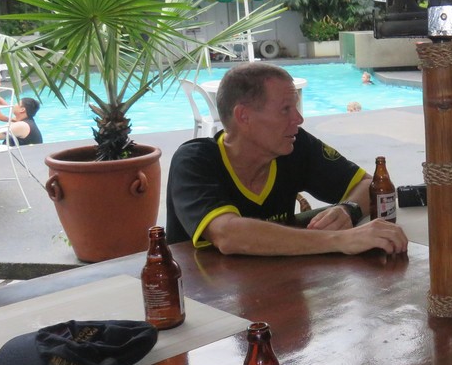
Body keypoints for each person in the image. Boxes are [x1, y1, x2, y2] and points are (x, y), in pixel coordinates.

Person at [166, 62, 408, 256]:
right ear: (243, 116)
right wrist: (340, 240)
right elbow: (228, 234)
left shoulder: (295, 145)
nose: (299, 119)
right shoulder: (194, 161)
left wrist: (348, 210)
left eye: (296, 107)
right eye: (285, 109)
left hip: (275, 288)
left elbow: (368, 185)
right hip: (199, 298)